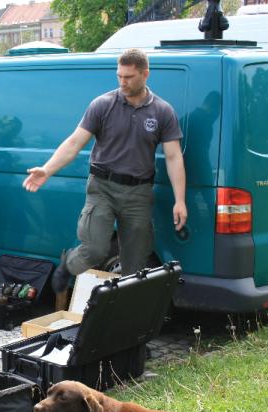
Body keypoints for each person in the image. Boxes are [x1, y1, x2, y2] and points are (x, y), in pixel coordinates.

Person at [22, 48, 187, 292]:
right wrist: (47, 170)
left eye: (128, 77)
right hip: (103, 188)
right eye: (119, 75)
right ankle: (68, 265)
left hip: (139, 193)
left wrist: (180, 200)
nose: (122, 81)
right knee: (95, 249)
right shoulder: (103, 105)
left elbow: (173, 157)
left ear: (145, 74)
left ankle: (125, 323)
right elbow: (74, 142)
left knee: (135, 265)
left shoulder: (162, 111)